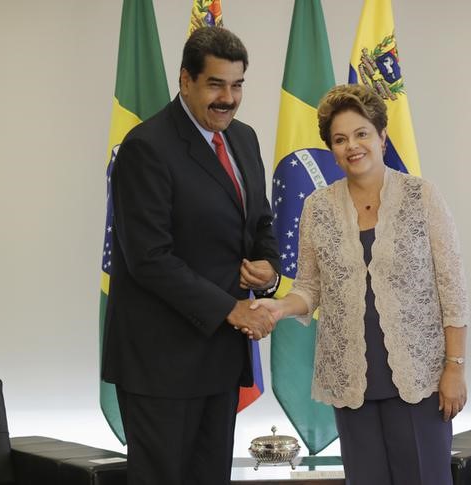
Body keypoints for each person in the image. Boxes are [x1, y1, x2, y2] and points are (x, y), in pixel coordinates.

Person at [252, 84, 469, 485]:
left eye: (361, 133)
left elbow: (452, 290)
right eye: (340, 139)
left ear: (382, 137)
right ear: (331, 148)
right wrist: (279, 307)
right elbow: (309, 288)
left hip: (419, 381)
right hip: (352, 383)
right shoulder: (316, 208)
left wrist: (454, 368)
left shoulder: (422, 196)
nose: (352, 146)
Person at [102, 27, 280, 485]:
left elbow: (259, 222)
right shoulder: (146, 147)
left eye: (237, 85)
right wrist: (230, 309)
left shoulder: (244, 139)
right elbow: (149, 258)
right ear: (186, 81)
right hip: (162, 363)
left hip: (219, 357)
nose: (228, 98)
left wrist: (269, 269)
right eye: (216, 84)